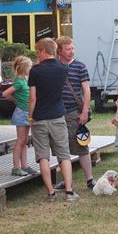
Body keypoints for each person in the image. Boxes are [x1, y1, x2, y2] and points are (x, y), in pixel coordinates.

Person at [28, 38, 79, 202]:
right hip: (57, 115)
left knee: (43, 157)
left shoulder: (35, 71)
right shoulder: (63, 69)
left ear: (43, 50)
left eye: (38, 50)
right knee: (64, 155)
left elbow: (32, 98)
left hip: (39, 118)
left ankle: (51, 192)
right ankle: (69, 191)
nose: (37, 54)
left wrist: (30, 116)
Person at [54, 37, 95, 191]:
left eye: (72, 48)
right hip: (57, 113)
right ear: (59, 51)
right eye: (68, 49)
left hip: (73, 112)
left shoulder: (80, 67)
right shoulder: (55, 66)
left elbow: (86, 90)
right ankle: (67, 180)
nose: (72, 51)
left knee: (81, 145)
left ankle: (90, 179)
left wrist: (84, 111)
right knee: (61, 147)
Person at [2, 56, 37, 176]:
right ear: (24, 67)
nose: (31, 68)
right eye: (30, 66)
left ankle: (25, 165)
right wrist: (15, 100)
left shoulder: (25, 80)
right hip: (22, 113)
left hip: (27, 113)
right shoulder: (19, 82)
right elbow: (5, 93)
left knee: (25, 140)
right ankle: (16, 167)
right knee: (20, 140)